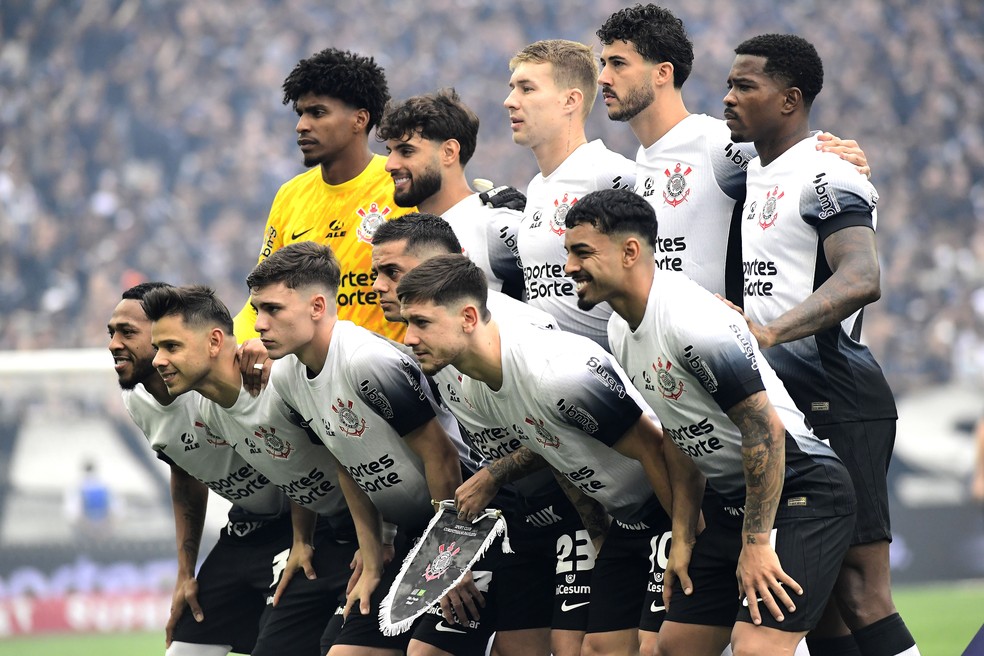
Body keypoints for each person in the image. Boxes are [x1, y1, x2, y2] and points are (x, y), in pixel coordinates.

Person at [562, 188, 857, 656]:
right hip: (730, 503)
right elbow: (681, 436)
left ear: (630, 252)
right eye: (567, 253)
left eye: (582, 252)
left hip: (803, 488)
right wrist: (682, 537)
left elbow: (765, 430)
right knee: (672, 647)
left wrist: (756, 542)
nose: (570, 267)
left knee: (756, 648)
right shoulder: (621, 329)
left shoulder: (690, 319)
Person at [723, 34, 920, 656]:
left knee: (862, 591)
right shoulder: (753, 168)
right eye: (728, 84)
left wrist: (770, 331)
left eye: (745, 86)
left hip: (836, 390)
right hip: (783, 393)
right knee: (825, 605)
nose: (729, 97)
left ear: (790, 100)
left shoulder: (828, 172)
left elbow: (863, 277)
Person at [398, 253, 684, 656]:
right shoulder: (479, 382)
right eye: (407, 323)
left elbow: (658, 447)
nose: (409, 338)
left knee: (659, 648)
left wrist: (686, 538)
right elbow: (561, 455)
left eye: (421, 323)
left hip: (671, 506)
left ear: (467, 317)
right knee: (598, 649)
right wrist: (601, 539)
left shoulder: (556, 373)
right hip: (623, 520)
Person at [245, 240, 495, 656]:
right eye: (257, 310)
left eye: (273, 309)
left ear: (317, 308)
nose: (258, 325)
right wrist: (373, 552)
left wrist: (448, 555)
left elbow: (443, 456)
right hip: (414, 534)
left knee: (427, 653)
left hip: (469, 520)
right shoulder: (287, 377)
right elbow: (348, 460)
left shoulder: (366, 361)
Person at [142, 283, 401, 656]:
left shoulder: (279, 382)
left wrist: (380, 538)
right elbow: (294, 469)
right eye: (158, 348)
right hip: (326, 539)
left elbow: (352, 457)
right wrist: (301, 539)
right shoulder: (209, 411)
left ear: (215, 342)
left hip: (382, 532)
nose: (158, 360)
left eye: (171, 347)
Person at [372, 213, 584, 656]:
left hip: (574, 505)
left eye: (393, 272)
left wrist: (494, 474)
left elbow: (569, 430)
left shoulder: (520, 334)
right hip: (509, 511)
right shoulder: (429, 342)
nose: (378, 286)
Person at [595, 4, 870, 303]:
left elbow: (790, 152)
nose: (603, 78)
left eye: (618, 64)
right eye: (603, 63)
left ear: (663, 73)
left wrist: (833, 153)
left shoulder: (714, 144)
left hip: (729, 345)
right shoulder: (645, 158)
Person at [109, 282, 292, 656]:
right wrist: (184, 573)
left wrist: (263, 352)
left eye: (128, 332)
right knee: (183, 648)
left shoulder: (223, 377)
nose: (113, 343)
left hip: (303, 525)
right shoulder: (138, 402)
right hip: (246, 528)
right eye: (111, 332)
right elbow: (186, 471)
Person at [233, 47, 413, 358]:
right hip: (311, 386)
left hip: (392, 378)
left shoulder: (402, 185)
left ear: (359, 120)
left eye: (317, 113)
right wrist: (238, 347)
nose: (301, 125)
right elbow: (257, 303)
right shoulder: (290, 195)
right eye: (300, 113)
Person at [504, 39, 635, 348]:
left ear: (570, 101)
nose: (510, 101)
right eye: (512, 88)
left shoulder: (608, 172)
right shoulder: (537, 187)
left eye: (527, 88)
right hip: (549, 377)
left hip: (609, 377)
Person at [377, 88, 525, 299]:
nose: (389, 165)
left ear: (449, 152)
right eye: (389, 152)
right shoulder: (407, 234)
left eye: (406, 151)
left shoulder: (493, 225)